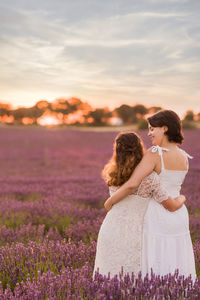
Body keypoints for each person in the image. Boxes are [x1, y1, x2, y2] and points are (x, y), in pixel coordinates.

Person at [103, 110, 196, 281]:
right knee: (176, 256)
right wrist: (182, 199)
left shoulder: (155, 153)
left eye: (153, 129)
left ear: (165, 128)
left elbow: (132, 184)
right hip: (179, 215)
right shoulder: (184, 157)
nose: (149, 133)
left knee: (155, 258)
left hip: (157, 213)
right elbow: (175, 190)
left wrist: (109, 202)